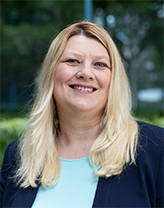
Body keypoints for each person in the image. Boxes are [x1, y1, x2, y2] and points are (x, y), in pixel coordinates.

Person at [0, 21, 163, 208]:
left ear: (114, 80)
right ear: (51, 73)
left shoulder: (156, 149)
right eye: (72, 61)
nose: (86, 73)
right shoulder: (19, 155)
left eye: (100, 64)